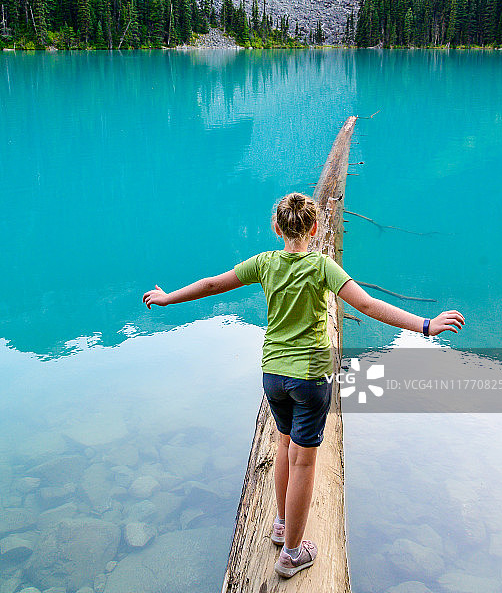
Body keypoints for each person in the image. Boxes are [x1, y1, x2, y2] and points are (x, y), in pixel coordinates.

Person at [142, 191, 465, 579]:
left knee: (283, 445)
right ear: (315, 228)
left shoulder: (264, 263)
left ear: (276, 228)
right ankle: (292, 553)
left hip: (273, 375)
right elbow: (366, 305)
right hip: (310, 378)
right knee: (305, 459)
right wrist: (425, 325)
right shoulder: (322, 266)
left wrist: (167, 299)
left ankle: (280, 525)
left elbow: (212, 284)